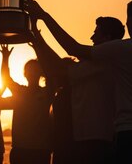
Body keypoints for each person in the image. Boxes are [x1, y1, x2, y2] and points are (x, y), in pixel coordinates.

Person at [26, 0, 132, 163]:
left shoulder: (121, 51)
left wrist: (44, 16)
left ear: (130, 20)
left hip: (129, 134)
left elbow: (72, 49)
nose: (92, 37)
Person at [29, 17, 122, 164]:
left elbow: (59, 67)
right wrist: (36, 37)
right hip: (91, 139)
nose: (91, 37)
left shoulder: (102, 62)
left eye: (96, 33)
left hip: (96, 141)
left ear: (107, 38)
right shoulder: (99, 63)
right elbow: (57, 67)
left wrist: (38, 33)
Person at [1, 45, 54, 164]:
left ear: (41, 73)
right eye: (29, 70)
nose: (32, 73)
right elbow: (6, 78)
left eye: (35, 70)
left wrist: (37, 47)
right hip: (21, 149)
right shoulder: (20, 91)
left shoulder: (47, 92)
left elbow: (51, 74)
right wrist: (5, 57)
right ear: (25, 74)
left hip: (40, 150)